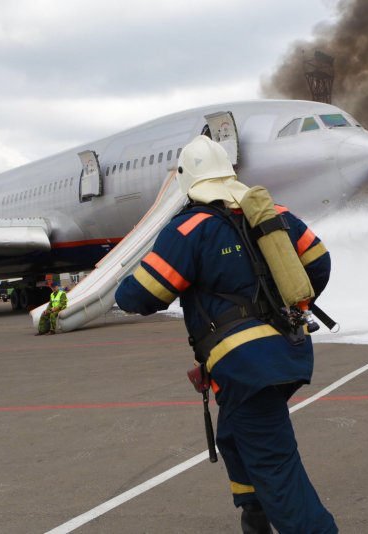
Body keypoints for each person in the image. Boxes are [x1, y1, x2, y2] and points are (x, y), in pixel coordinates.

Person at [115, 136, 337, 533]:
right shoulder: (274, 214)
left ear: (188, 182)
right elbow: (319, 263)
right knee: (233, 435)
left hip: (245, 365)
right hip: (288, 349)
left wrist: (123, 280)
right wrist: (283, 310)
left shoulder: (190, 227)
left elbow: (140, 296)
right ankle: (254, 516)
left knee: (276, 466)